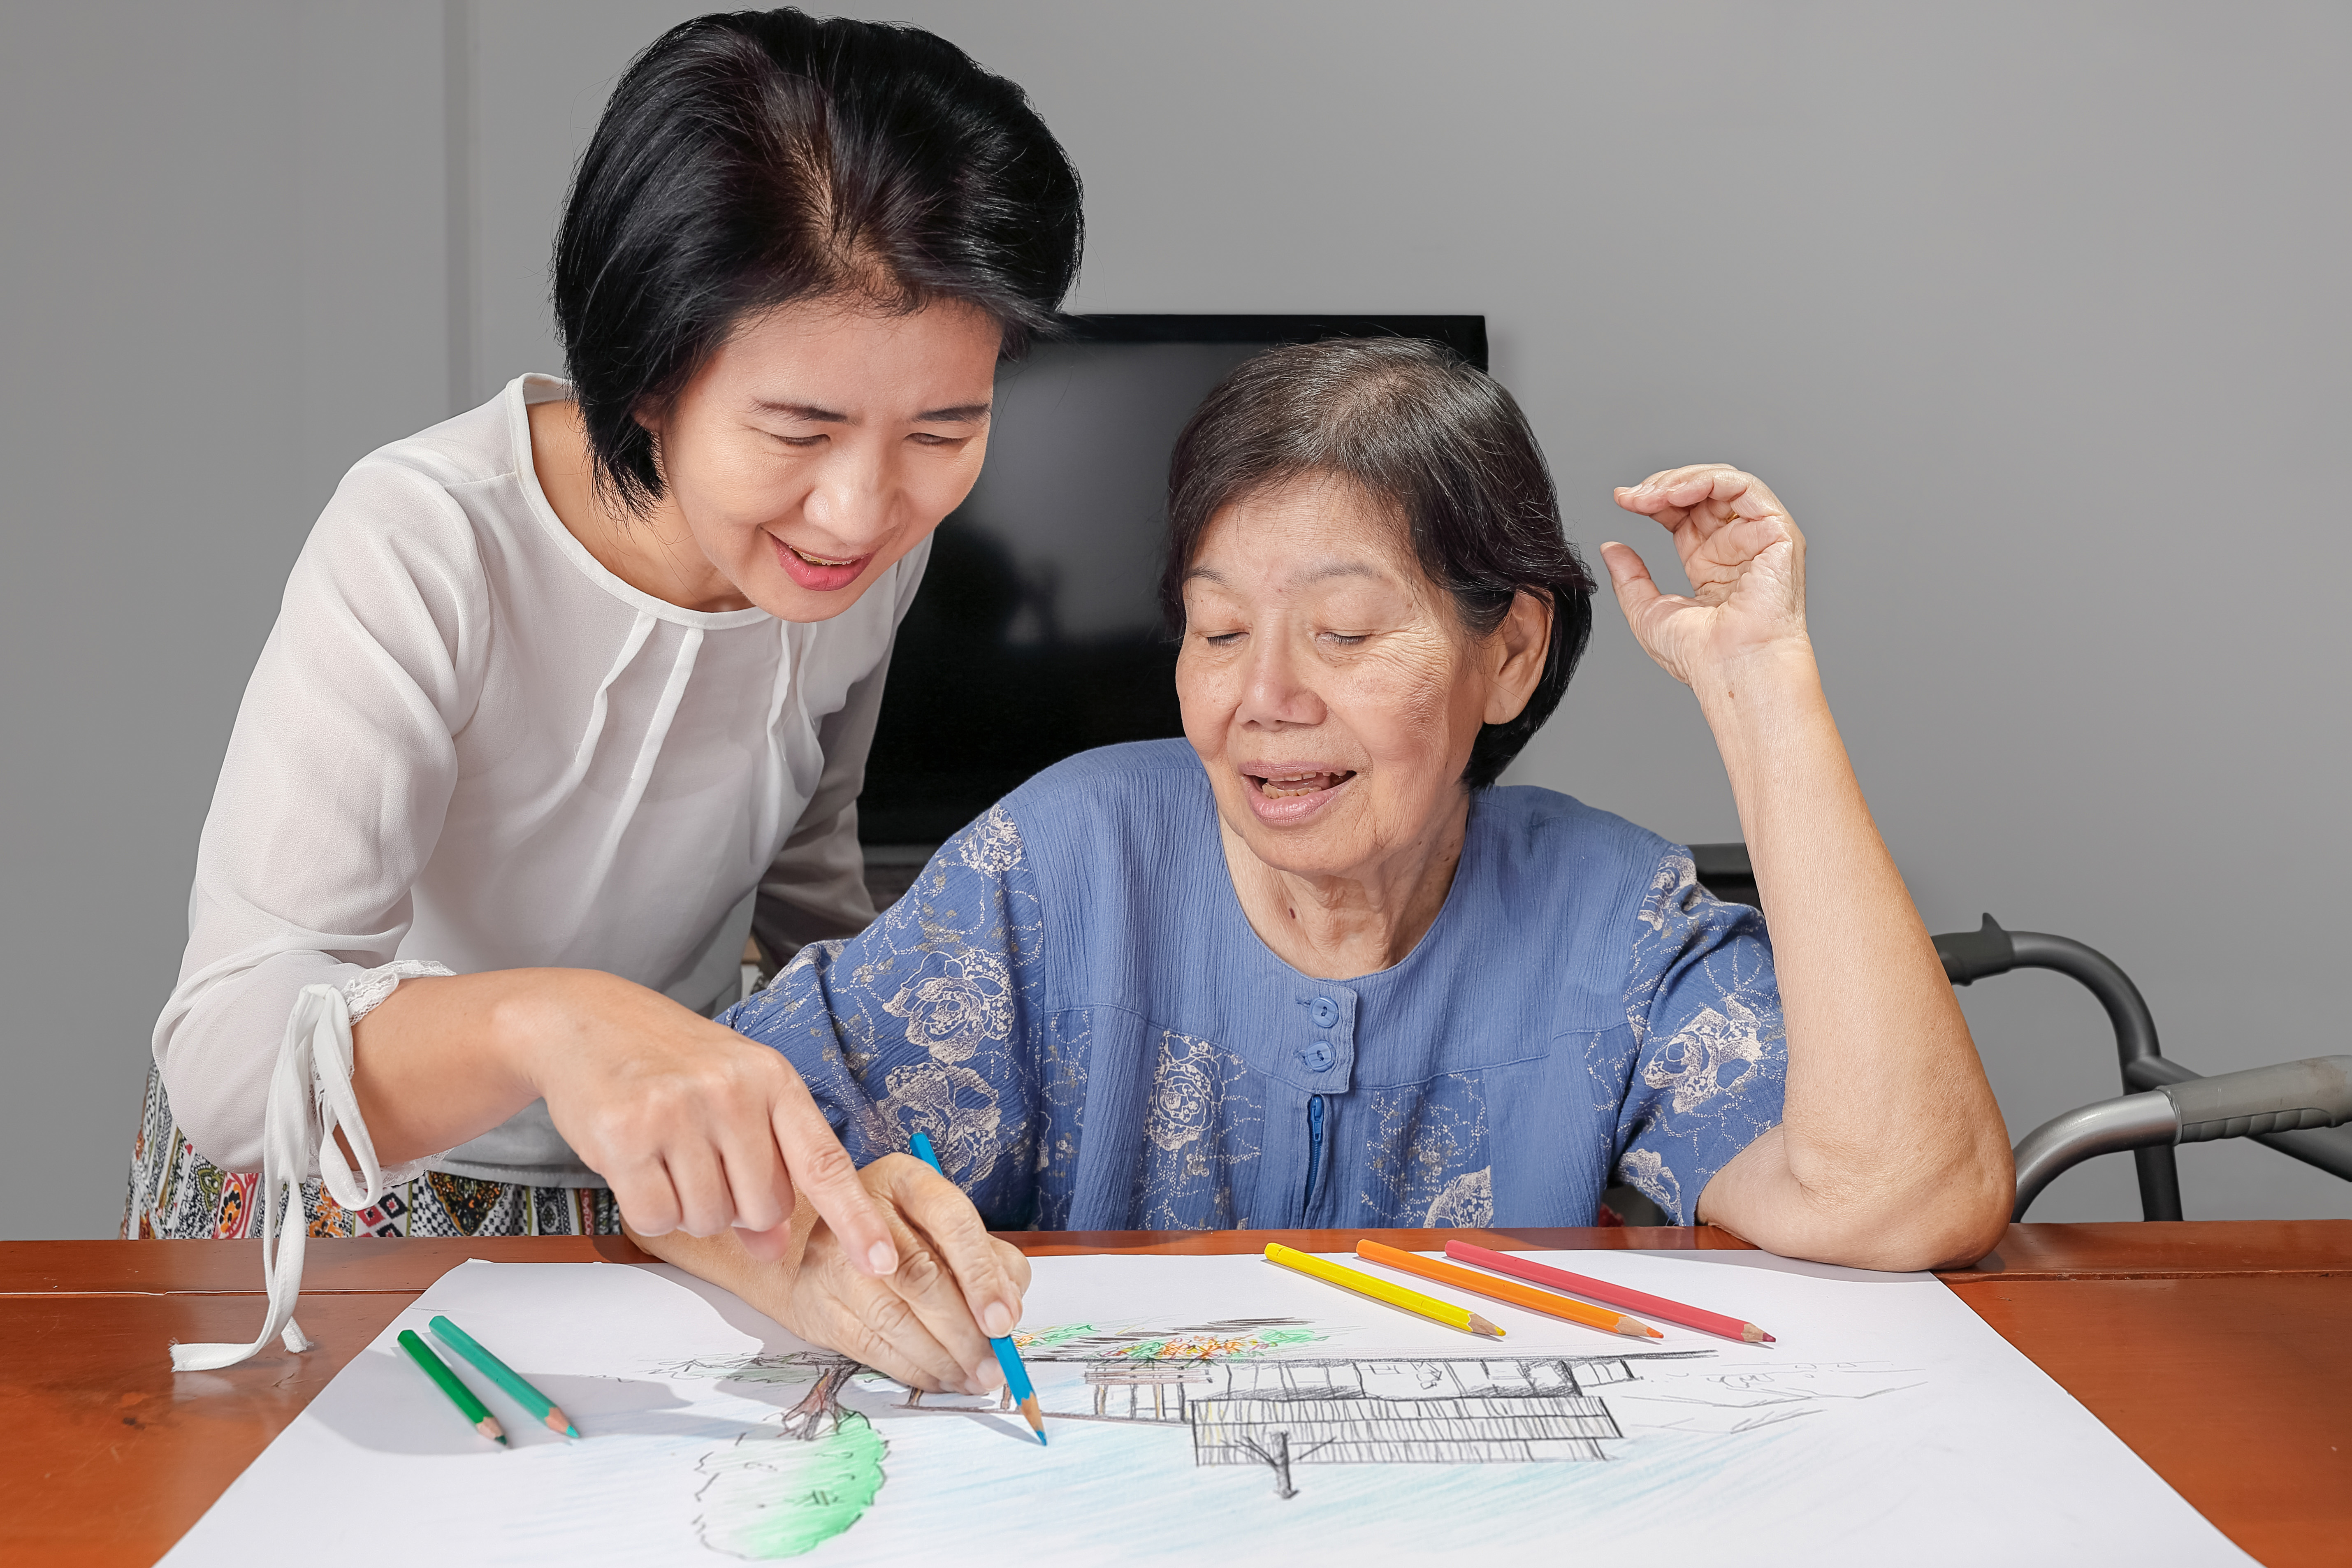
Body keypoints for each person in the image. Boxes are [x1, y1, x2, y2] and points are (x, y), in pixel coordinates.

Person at [637, 339, 2016, 1399]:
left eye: (1346, 633)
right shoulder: (1060, 867)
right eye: (1218, 629)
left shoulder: (1613, 919)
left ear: (1513, 653)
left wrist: (1766, 688)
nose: (1264, 698)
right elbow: (684, 1134)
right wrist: (829, 1232)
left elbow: (1904, 1189)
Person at [132, 9, 1082, 1364]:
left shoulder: (861, 557)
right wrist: (552, 1017)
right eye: (798, 429)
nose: (866, 505)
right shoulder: (428, 541)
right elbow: (227, 1055)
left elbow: (809, 874)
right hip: (344, 1210)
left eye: (946, 428)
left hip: (643, 1203)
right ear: (647, 373)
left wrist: (861, 1138)